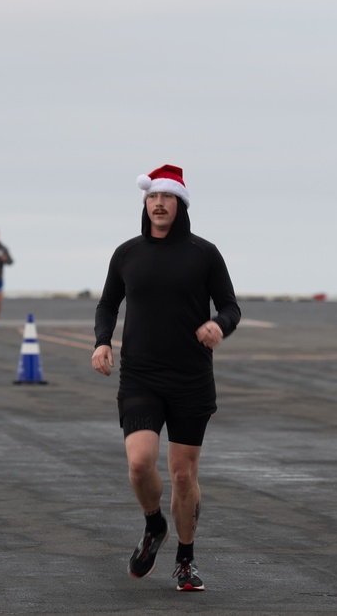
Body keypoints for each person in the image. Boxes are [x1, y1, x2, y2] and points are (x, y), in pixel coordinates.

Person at [91, 164, 240, 592]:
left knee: (182, 475)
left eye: (167, 198)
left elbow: (230, 306)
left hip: (191, 378)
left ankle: (186, 560)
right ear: (145, 203)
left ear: (180, 204)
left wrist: (219, 326)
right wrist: (103, 341)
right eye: (153, 198)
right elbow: (107, 304)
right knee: (139, 463)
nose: (159, 204)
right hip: (140, 375)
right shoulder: (127, 254)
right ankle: (154, 525)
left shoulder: (204, 254)